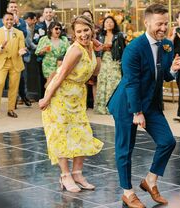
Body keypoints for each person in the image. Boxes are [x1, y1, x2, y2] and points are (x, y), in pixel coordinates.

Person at [107, 4, 180, 207]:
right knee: (125, 149)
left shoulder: (166, 45)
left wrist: (173, 69)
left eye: (166, 23)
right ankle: (128, 192)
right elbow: (131, 82)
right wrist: (137, 112)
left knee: (168, 141)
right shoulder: (133, 48)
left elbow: (162, 75)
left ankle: (150, 181)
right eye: (159, 23)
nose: (163, 27)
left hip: (150, 102)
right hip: (127, 104)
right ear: (147, 22)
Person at [39, 15, 103, 193]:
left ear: (92, 29)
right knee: (62, 134)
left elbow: (96, 71)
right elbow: (60, 75)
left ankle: (77, 173)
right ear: (73, 34)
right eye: (79, 32)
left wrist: (97, 49)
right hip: (60, 95)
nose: (83, 34)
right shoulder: (75, 51)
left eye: (86, 30)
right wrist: (46, 98)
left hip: (77, 96)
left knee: (81, 133)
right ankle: (65, 175)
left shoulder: (90, 47)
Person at [0, 12, 27, 120]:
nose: (9, 21)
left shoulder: (19, 33)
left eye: (11, 19)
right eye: (7, 19)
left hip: (15, 63)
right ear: (3, 21)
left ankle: (11, 110)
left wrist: (22, 51)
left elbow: (22, 47)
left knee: (13, 87)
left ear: (14, 20)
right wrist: (0, 47)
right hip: (1, 63)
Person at [94, 16, 125, 114]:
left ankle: (114, 106)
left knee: (115, 82)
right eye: (107, 22)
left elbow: (123, 49)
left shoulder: (119, 35)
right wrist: (103, 47)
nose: (109, 24)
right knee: (103, 83)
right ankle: (102, 108)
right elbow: (96, 48)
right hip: (103, 61)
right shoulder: (100, 36)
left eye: (111, 22)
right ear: (104, 25)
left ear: (114, 24)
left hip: (115, 61)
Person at [35, 21, 69, 88]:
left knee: (59, 84)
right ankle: (47, 96)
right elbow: (37, 52)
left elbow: (69, 51)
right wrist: (43, 50)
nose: (58, 30)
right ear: (51, 29)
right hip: (48, 64)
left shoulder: (64, 39)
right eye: (56, 29)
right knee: (50, 84)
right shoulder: (44, 39)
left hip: (60, 64)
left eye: (60, 29)